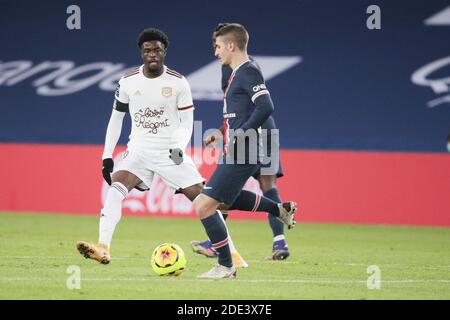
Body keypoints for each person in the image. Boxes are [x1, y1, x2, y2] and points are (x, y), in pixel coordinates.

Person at [75, 28, 297, 278]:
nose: (152, 54)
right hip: (137, 151)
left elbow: (187, 121)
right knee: (116, 190)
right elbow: (115, 119)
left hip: (172, 152)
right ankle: (103, 247)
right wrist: (107, 156)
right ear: (141, 52)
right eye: (147, 50)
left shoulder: (179, 81)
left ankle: (233, 255)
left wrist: (179, 147)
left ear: (164, 51)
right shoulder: (127, 82)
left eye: (157, 49)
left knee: (209, 201)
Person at [193, 23, 297, 279]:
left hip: (245, 149)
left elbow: (266, 106)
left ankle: (226, 266)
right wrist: (224, 132)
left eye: (217, 46)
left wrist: (242, 132)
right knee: (225, 201)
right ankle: (279, 210)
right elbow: (238, 113)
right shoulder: (237, 73)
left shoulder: (248, 71)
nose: (216, 52)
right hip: (239, 147)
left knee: (204, 206)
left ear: (231, 45)